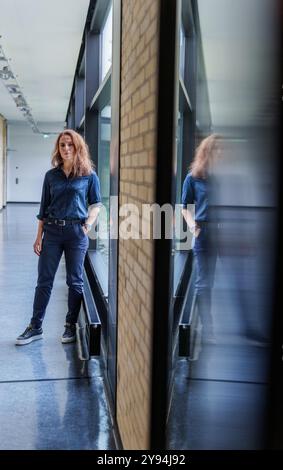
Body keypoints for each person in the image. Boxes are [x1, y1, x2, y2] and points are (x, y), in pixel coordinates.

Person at [15, 129, 101, 346]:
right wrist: (38, 237)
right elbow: (44, 209)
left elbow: (96, 205)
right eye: (62, 145)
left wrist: (87, 225)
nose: (65, 149)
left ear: (77, 147)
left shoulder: (89, 175)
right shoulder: (50, 176)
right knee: (44, 281)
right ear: (58, 148)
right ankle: (35, 327)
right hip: (51, 233)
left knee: (75, 281)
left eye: (70, 145)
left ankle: (70, 326)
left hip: (76, 233)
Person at [181, 134, 221, 343]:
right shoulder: (194, 178)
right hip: (204, 233)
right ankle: (207, 328)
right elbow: (185, 206)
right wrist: (193, 227)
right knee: (205, 283)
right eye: (216, 149)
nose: (220, 153)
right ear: (207, 152)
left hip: (227, 232)